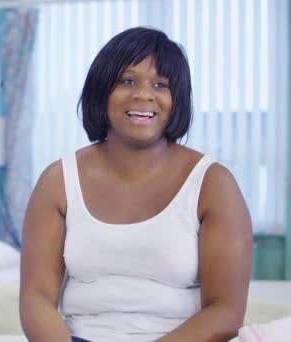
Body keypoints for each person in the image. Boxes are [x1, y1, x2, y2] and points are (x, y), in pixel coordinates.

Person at [19, 27, 252, 342]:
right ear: (102, 92)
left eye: (161, 84)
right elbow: (36, 299)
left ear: (177, 99)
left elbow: (226, 310)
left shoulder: (214, 183)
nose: (144, 95)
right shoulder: (57, 181)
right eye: (127, 81)